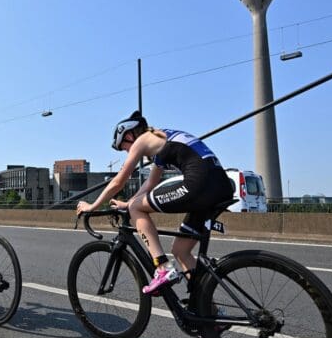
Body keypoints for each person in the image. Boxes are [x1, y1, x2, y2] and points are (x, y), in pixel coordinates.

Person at [76, 111, 232, 295]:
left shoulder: (143, 139)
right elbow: (150, 184)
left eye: (124, 147)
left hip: (200, 183)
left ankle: (163, 267)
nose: (127, 151)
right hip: (219, 185)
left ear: (129, 135)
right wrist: (128, 204)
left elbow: (119, 181)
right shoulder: (160, 142)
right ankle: (208, 311)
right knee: (181, 251)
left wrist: (92, 206)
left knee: (137, 209)